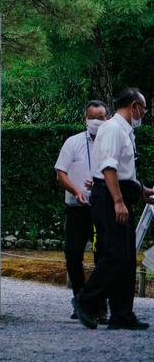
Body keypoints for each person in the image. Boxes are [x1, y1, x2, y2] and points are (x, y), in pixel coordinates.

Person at [75, 87, 154, 330]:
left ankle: (122, 314)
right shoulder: (112, 128)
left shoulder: (124, 131)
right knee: (115, 254)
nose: (143, 114)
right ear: (133, 106)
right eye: (143, 109)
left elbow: (123, 171)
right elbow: (108, 168)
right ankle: (85, 301)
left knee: (128, 258)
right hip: (109, 199)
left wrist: (141, 191)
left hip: (119, 196)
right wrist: (118, 201)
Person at [54, 100, 108, 321]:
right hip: (77, 209)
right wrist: (76, 191)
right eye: (92, 117)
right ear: (85, 118)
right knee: (73, 255)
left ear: (107, 118)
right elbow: (60, 172)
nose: (96, 121)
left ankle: (100, 305)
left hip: (101, 209)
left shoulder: (111, 143)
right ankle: (80, 300)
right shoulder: (73, 142)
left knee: (103, 257)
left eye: (101, 117)